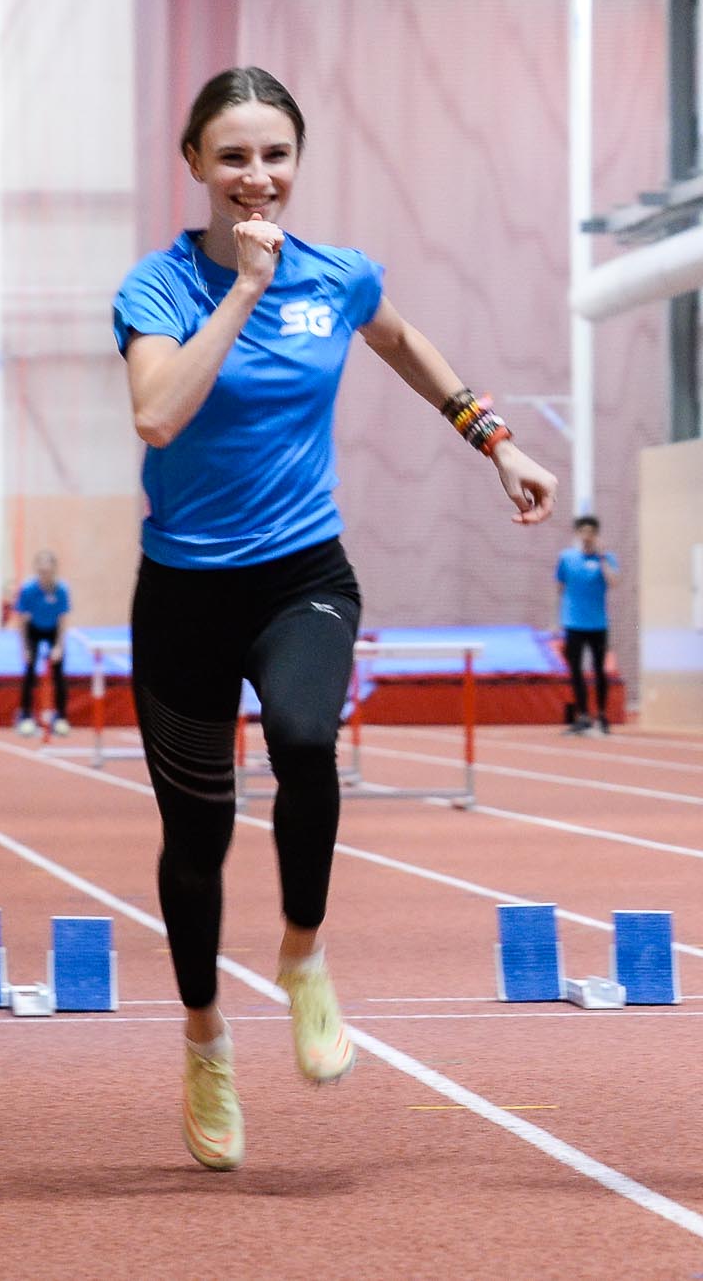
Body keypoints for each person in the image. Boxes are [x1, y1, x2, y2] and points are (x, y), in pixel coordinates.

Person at [113, 66, 557, 1172]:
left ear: (297, 161)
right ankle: (206, 1038)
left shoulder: (340, 275)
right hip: (184, 592)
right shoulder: (158, 287)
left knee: (307, 740)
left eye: (275, 155)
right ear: (195, 164)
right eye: (233, 156)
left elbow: (402, 343)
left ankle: (303, 956)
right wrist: (242, 294)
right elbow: (158, 414)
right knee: (197, 835)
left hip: (300, 574)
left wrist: (494, 440)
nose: (256, 176)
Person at [556, 517, 618, 736]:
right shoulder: (566, 558)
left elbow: (613, 582)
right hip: (573, 623)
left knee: (600, 670)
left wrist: (602, 558)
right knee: (575, 670)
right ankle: (583, 715)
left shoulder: (607, 558)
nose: (587, 536)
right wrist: (556, 620)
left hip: (598, 624)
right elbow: (559, 588)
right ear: (577, 534)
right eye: (583, 532)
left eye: (591, 532)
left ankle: (601, 715)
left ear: (596, 534)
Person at [13, 550, 73, 738]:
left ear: (54, 569)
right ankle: (25, 716)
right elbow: (21, 621)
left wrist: (59, 647)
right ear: (37, 570)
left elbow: (63, 621)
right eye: (41, 570)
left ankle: (61, 717)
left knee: (59, 673)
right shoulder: (28, 590)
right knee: (29, 671)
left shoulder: (61, 590)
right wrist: (24, 648)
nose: (44, 573)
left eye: (48, 570)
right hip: (34, 629)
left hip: (53, 630)